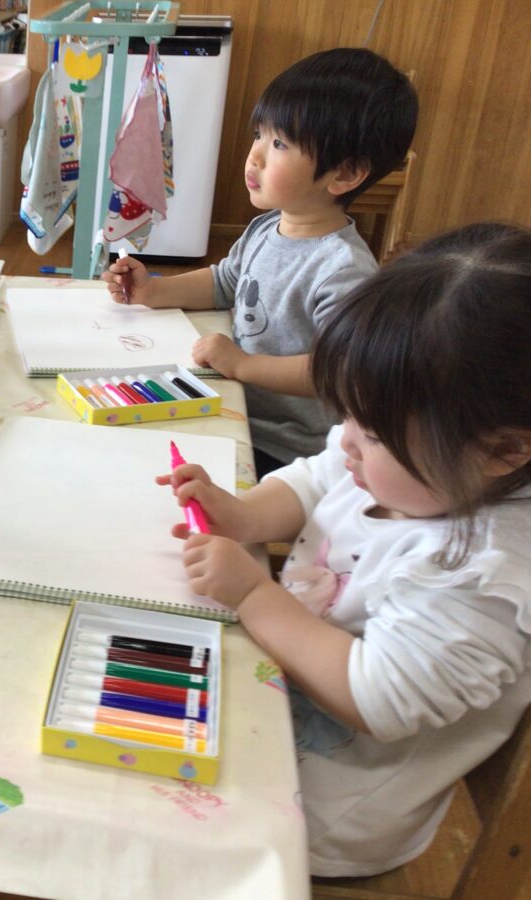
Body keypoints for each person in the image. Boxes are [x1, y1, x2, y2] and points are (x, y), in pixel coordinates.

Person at [160, 223, 531, 876]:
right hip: (274, 688)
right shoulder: (414, 460)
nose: (347, 439)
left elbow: (375, 697)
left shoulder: (485, 578)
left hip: (318, 803)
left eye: (375, 432)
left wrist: (253, 594)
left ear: (503, 450)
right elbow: (316, 476)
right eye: (349, 414)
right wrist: (244, 515)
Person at [103, 48, 417, 476]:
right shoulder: (268, 227)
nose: (255, 156)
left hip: (285, 449)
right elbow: (224, 282)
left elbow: (339, 371)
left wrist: (244, 364)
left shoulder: (343, 269)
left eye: (280, 143)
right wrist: (153, 290)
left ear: (344, 175)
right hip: (235, 406)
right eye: (259, 134)